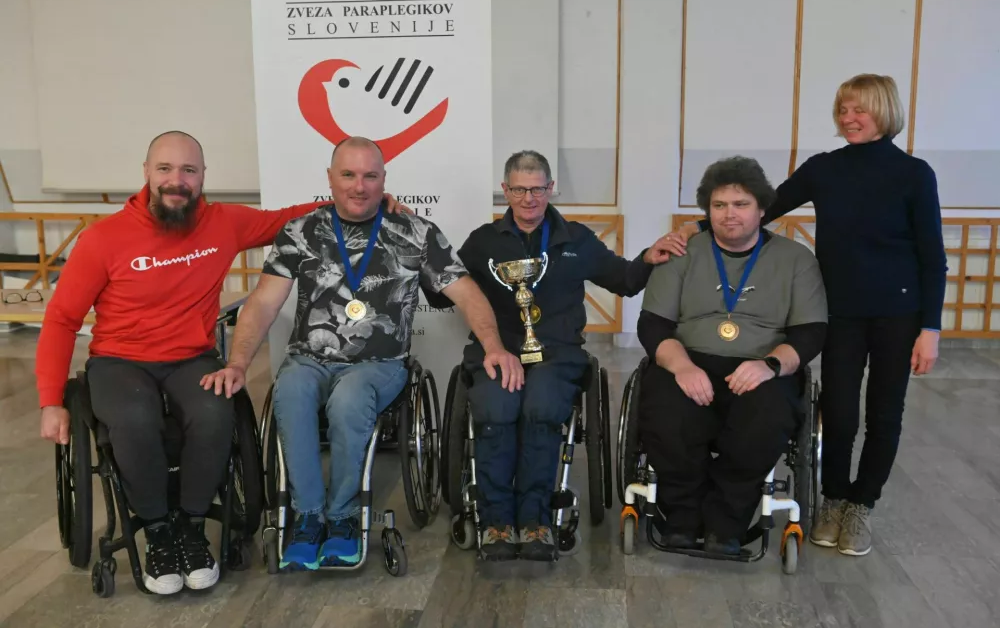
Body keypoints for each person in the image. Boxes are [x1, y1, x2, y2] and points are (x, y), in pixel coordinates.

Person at [35, 130, 409, 595]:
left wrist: (366, 199)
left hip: (192, 358)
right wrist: (51, 401)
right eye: (165, 169)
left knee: (216, 411)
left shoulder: (223, 223)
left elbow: (288, 219)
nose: (177, 180)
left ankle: (192, 529)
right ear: (146, 172)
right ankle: (158, 532)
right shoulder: (102, 239)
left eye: (189, 170)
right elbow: (62, 319)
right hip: (119, 360)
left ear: (203, 176)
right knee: (133, 417)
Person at [200, 136, 522, 571]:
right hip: (309, 359)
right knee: (289, 392)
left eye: (370, 176)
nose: (359, 185)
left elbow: (467, 293)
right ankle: (308, 516)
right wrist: (238, 362)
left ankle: (344, 516)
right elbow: (263, 303)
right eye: (348, 175)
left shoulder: (415, 232)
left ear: (384, 180)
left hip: (379, 364)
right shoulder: (301, 231)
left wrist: (494, 346)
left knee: (349, 399)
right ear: (330, 178)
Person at [675, 74, 947, 556]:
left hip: (898, 314)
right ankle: (834, 499)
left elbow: (932, 256)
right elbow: (764, 207)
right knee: (838, 412)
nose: (849, 118)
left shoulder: (915, 174)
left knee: (885, 413)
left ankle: (861, 504)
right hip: (839, 311)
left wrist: (930, 328)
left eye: (859, 109)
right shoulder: (824, 168)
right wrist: (695, 229)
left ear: (885, 111)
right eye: (843, 110)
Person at [452, 150, 679, 561]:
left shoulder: (576, 239)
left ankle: (535, 519)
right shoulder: (483, 241)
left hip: (556, 351)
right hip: (498, 349)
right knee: (497, 406)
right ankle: (497, 520)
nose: (529, 198)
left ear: (551, 188)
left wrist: (648, 258)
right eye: (519, 189)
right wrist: (420, 248)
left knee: (541, 406)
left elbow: (624, 280)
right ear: (505, 190)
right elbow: (443, 289)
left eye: (537, 189)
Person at [638, 156, 828, 555]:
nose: (729, 214)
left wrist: (770, 365)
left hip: (761, 365)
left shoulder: (796, 260)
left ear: (762, 208)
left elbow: (810, 332)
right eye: (719, 205)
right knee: (667, 415)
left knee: (765, 419)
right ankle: (683, 517)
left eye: (741, 204)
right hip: (689, 359)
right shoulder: (681, 252)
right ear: (707, 211)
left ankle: (726, 523)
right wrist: (682, 367)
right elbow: (654, 325)